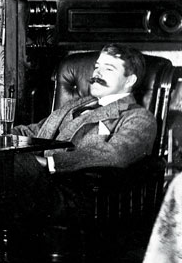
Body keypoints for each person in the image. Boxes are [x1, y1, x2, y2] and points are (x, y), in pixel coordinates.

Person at [12, 43, 156, 221]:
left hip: (79, 194)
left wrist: (49, 163)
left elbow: (116, 154)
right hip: (40, 184)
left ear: (130, 80)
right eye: (97, 67)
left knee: (12, 165)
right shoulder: (75, 105)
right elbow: (33, 131)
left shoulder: (138, 117)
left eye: (108, 69)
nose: (97, 74)